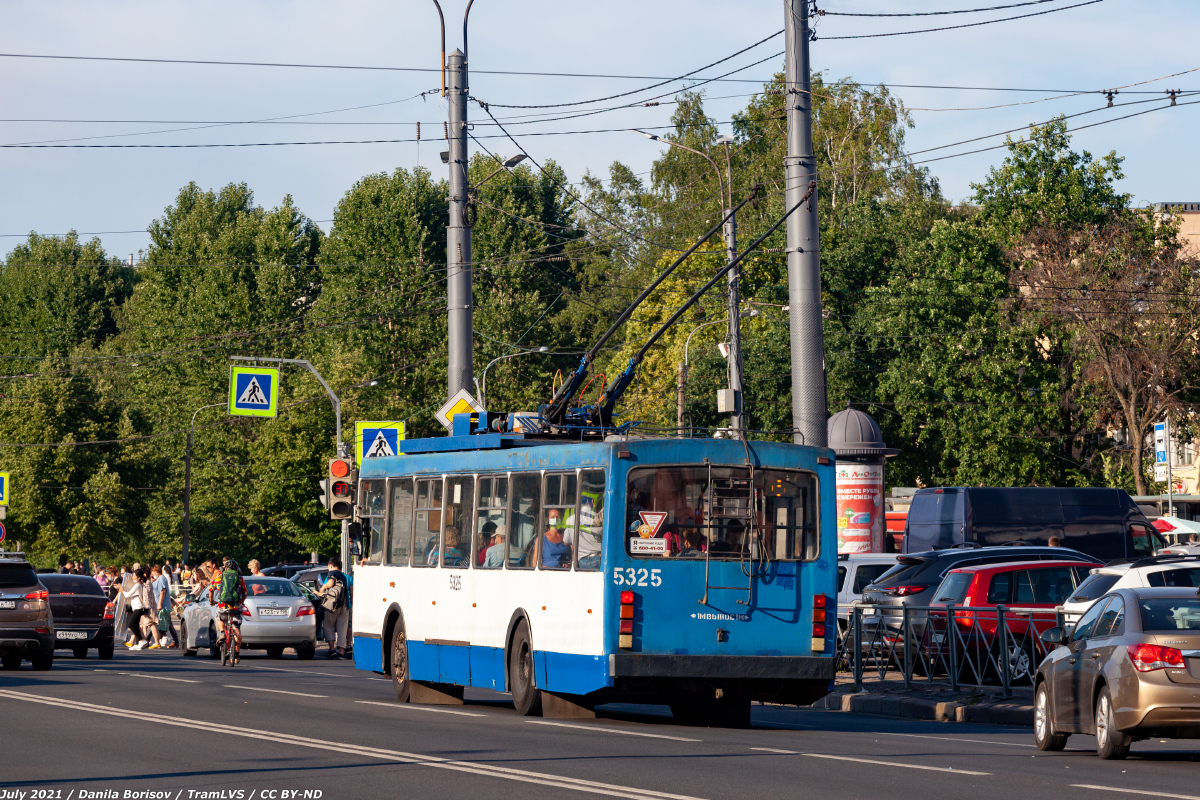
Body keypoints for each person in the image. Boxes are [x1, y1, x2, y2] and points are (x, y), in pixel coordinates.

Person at [210, 557, 247, 663]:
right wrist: (241, 602)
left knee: (219, 617)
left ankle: (222, 633)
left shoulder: (219, 577)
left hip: (223, 606)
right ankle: (236, 654)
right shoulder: (240, 578)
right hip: (236, 607)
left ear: (225, 568)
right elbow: (245, 593)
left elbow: (210, 589)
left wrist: (212, 601)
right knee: (236, 629)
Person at [316, 558, 350, 659]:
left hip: (333, 606)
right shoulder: (344, 576)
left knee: (328, 626)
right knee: (342, 629)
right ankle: (341, 652)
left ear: (330, 565)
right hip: (344, 606)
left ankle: (331, 650)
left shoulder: (332, 573)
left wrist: (322, 588)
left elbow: (330, 584)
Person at [151, 565, 178, 648]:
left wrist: (159, 604)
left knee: (162, 623)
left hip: (163, 605)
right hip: (160, 604)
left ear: (156, 572)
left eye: (153, 573)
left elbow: (163, 591)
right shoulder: (158, 579)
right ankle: (170, 640)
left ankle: (165, 638)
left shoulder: (162, 578)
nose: (152, 574)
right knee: (163, 623)